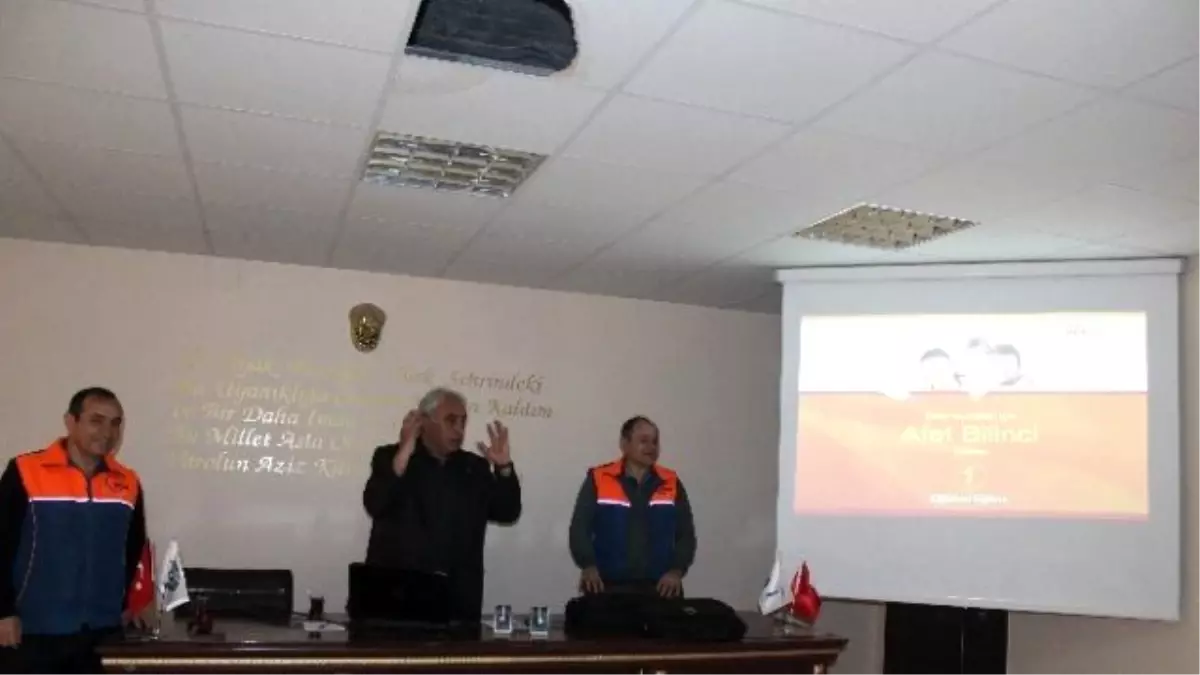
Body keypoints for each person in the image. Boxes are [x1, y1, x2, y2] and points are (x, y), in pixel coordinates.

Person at [0, 387, 147, 675]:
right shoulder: (25, 471)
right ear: (71, 422)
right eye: (96, 421)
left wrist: (127, 604)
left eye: (115, 423)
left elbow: (132, 549)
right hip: (32, 631)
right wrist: (3, 611)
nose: (107, 432)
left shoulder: (127, 481)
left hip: (102, 633)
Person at [362, 387, 521, 622]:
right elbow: (375, 504)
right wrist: (404, 453)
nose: (459, 429)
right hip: (397, 600)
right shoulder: (390, 457)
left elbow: (508, 512)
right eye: (451, 420)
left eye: (463, 422)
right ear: (424, 422)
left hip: (457, 603)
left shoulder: (473, 468)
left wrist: (504, 468)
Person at [568, 416, 696, 598]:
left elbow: (686, 534)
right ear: (624, 444)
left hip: (661, 587)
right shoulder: (599, 478)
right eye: (644, 441)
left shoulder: (670, 481)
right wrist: (588, 565)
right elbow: (579, 529)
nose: (651, 447)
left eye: (655, 442)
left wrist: (676, 571)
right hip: (606, 586)